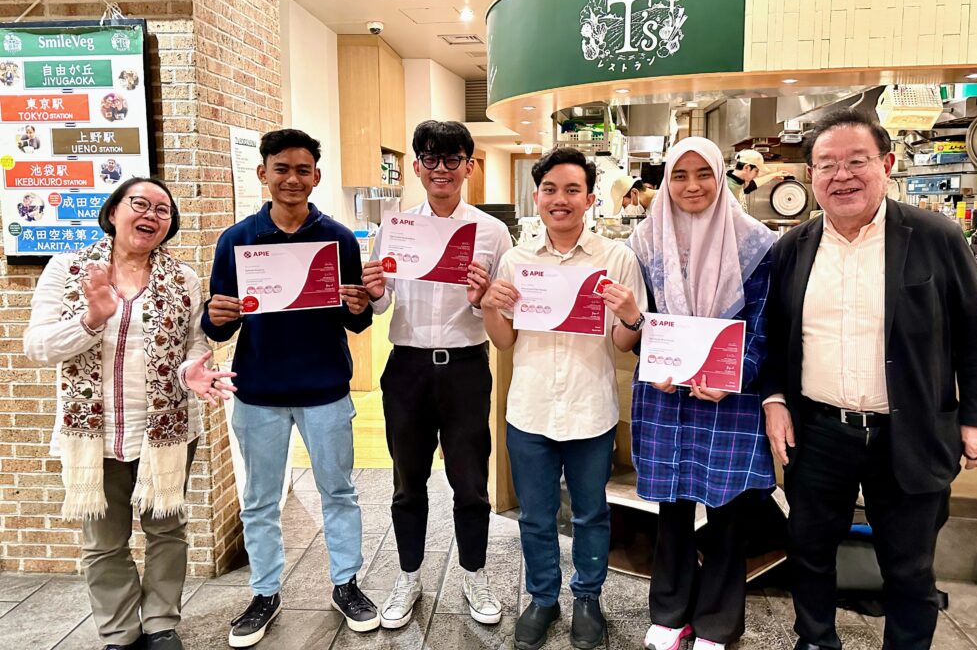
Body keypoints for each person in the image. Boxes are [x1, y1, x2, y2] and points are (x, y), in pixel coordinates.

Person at [761, 109, 977, 650]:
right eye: (827, 164)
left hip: (910, 431)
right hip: (819, 431)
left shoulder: (936, 237)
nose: (841, 175)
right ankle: (816, 640)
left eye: (856, 161)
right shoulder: (792, 248)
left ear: (887, 164)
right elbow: (774, 338)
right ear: (811, 176)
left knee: (910, 566)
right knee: (809, 551)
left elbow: (976, 336)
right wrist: (774, 398)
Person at [24, 177, 235, 650]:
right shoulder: (68, 269)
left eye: (163, 210)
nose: (151, 216)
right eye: (140, 204)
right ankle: (119, 632)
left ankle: (161, 624)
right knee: (103, 542)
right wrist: (91, 319)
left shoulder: (182, 278)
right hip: (93, 433)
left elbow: (194, 346)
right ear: (114, 211)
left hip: (166, 429)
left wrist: (191, 373)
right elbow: (37, 346)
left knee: (167, 531)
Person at [202, 129, 379, 647]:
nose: (292, 179)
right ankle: (264, 592)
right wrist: (215, 317)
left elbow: (357, 321)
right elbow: (219, 327)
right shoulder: (237, 240)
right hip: (258, 390)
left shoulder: (338, 239)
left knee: (339, 492)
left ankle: (346, 584)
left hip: (325, 389)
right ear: (263, 173)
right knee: (259, 500)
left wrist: (360, 306)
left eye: (303, 170)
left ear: (316, 177)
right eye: (281, 168)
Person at [481, 147, 646, 650]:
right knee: (535, 515)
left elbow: (623, 343)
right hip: (529, 410)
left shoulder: (616, 259)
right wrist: (489, 306)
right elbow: (504, 341)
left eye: (573, 190)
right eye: (550, 189)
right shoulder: (516, 260)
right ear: (537, 197)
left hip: (590, 409)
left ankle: (588, 599)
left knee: (590, 514)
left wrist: (631, 314)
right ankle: (543, 598)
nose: (561, 199)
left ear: (590, 199)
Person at [361, 120, 512, 629]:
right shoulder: (395, 228)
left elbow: (502, 309)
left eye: (452, 160)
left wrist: (483, 299)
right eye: (430, 159)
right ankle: (408, 577)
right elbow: (382, 305)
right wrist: (374, 289)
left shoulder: (491, 232)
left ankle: (474, 574)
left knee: (470, 482)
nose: (440, 169)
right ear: (417, 166)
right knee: (408, 482)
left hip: (466, 368)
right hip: (406, 368)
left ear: (469, 166)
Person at [630, 138, 776, 650]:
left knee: (728, 512)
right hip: (665, 393)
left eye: (703, 174)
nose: (691, 186)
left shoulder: (756, 242)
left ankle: (717, 622)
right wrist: (654, 359)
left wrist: (733, 377)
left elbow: (763, 325)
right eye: (679, 175)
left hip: (730, 396)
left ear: (721, 176)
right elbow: (641, 318)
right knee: (671, 506)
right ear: (666, 181)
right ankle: (670, 613)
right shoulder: (644, 242)